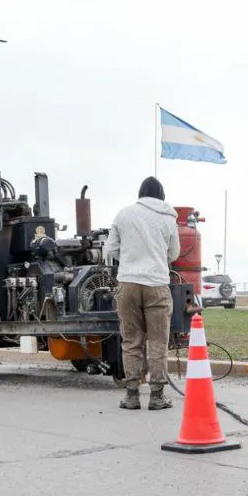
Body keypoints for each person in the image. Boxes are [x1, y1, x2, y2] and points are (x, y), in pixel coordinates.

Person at [103, 176, 181, 411]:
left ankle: (132, 395)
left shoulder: (124, 214)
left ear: (140, 194)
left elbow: (111, 249)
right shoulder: (168, 219)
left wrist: (129, 260)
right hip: (156, 284)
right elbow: (174, 253)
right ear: (162, 196)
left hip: (128, 283)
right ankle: (157, 396)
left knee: (131, 342)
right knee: (158, 342)